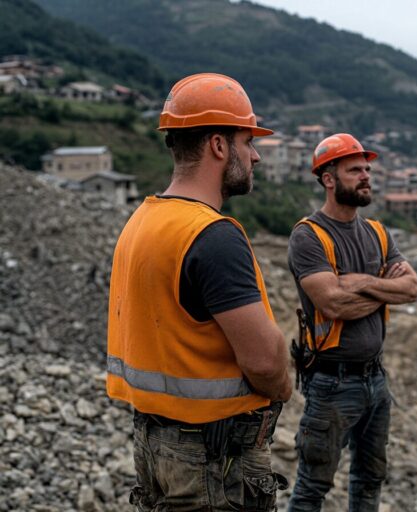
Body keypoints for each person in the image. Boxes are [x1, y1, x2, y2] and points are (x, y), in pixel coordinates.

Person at [106, 73, 292, 511]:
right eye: (248, 142)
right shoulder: (213, 236)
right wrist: (282, 387)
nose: (257, 156)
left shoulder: (142, 221)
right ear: (219, 146)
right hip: (212, 457)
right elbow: (265, 361)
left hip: (154, 442)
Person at [286, 133, 417, 511]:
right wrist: (383, 289)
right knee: (313, 486)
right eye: (355, 170)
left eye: (367, 169)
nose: (366, 176)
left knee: (369, 480)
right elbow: (333, 304)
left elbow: (411, 288)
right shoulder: (308, 237)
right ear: (328, 178)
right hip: (332, 382)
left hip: (376, 379)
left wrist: (360, 283)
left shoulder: (377, 232)